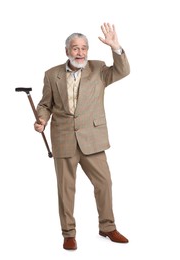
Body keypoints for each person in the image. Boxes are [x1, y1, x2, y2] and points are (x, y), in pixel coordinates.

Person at [34, 22, 130, 250]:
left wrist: (116, 47)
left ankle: (107, 227)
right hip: (63, 139)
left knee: (104, 183)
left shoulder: (98, 69)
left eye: (84, 48)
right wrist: (42, 119)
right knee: (66, 189)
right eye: (75, 48)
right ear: (67, 51)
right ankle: (68, 233)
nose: (80, 52)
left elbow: (123, 71)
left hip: (93, 139)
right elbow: (45, 104)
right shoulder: (52, 74)